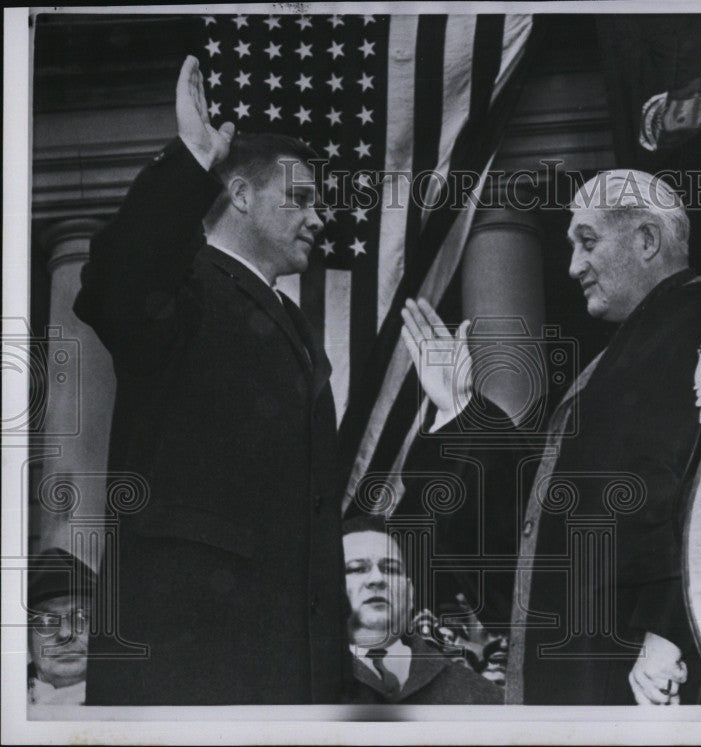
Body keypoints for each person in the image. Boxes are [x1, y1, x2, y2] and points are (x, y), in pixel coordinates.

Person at [74, 56, 348, 704]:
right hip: (187, 655)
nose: (319, 217)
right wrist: (192, 162)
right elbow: (114, 287)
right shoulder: (182, 283)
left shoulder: (288, 319)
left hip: (288, 667)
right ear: (242, 194)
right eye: (301, 198)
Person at [400, 170, 701, 705]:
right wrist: (461, 410)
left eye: (588, 242)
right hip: (588, 673)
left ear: (647, 239)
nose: (573, 267)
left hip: (645, 680)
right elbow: (538, 524)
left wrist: (669, 631)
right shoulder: (632, 347)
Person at [342, 516, 503, 705]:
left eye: (391, 569)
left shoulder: (483, 696)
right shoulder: (308, 688)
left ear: (410, 593)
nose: (377, 579)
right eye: (357, 569)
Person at [27, 549, 96, 709]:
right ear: (26, 638)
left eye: (81, 617)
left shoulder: (136, 700)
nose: (65, 634)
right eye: (46, 621)